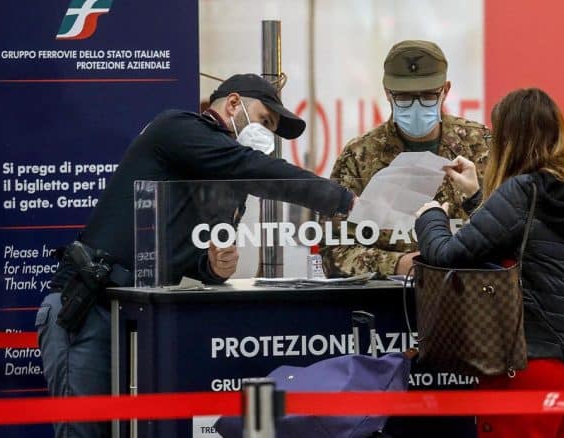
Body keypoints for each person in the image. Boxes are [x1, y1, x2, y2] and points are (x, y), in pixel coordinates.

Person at [36, 73, 355, 438]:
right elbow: (252, 168)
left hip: (139, 318)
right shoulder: (178, 128)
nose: (267, 133)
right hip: (88, 310)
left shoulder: (226, 185)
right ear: (233, 103)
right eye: (265, 120)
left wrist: (216, 266)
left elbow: (196, 259)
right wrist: (342, 200)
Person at [414, 88, 564, 437]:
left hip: (525, 371)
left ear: (511, 140)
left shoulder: (521, 191)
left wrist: (430, 217)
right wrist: (475, 197)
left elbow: (447, 255)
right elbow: (521, 241)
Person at [321, 40, 489, 278]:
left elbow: (510, 232)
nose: (417, 106)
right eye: (404, 97)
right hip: (388, 302)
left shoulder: (479, 144)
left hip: (467, 300)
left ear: (446, 90)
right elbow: (334, 250)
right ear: (387, 93)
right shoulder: (360, 155)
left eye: (428, 96)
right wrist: (398, 264)